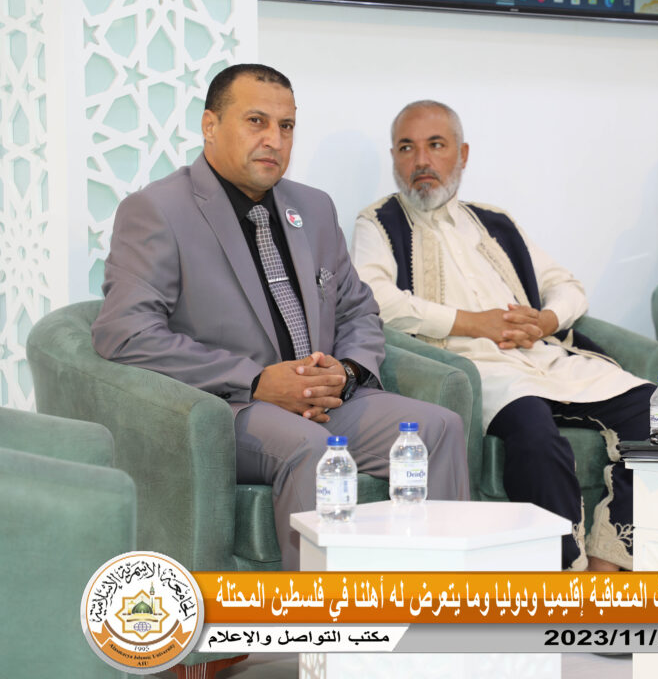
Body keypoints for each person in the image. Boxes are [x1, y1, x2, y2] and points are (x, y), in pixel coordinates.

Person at [92, 65, 469, 570]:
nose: (274, 139)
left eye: (286, 126)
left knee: (437, 429)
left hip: (325, 399)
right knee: (310, 447)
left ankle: (437, 601)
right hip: (228, 408)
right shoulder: (158, 210)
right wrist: (256, 380)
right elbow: (126, 332)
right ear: (210, 125)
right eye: (256, 121)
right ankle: (319, 616)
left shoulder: (313, 207)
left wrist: (347, 372)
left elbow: (358, 308)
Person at [352, 100, 652, 571]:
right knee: (536, 438)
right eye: (407, 148)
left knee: (657, 411)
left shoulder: (495, 222)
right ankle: (564, 575)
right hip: (476, 368)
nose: (421, 161)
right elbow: (376, 299)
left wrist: (546, 321)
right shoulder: (377, 223)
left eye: (436, 145)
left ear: (462, 154)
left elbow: (568, 286)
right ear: (394, 157)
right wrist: (474, 323)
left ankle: (608, 564)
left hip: (541, 356)